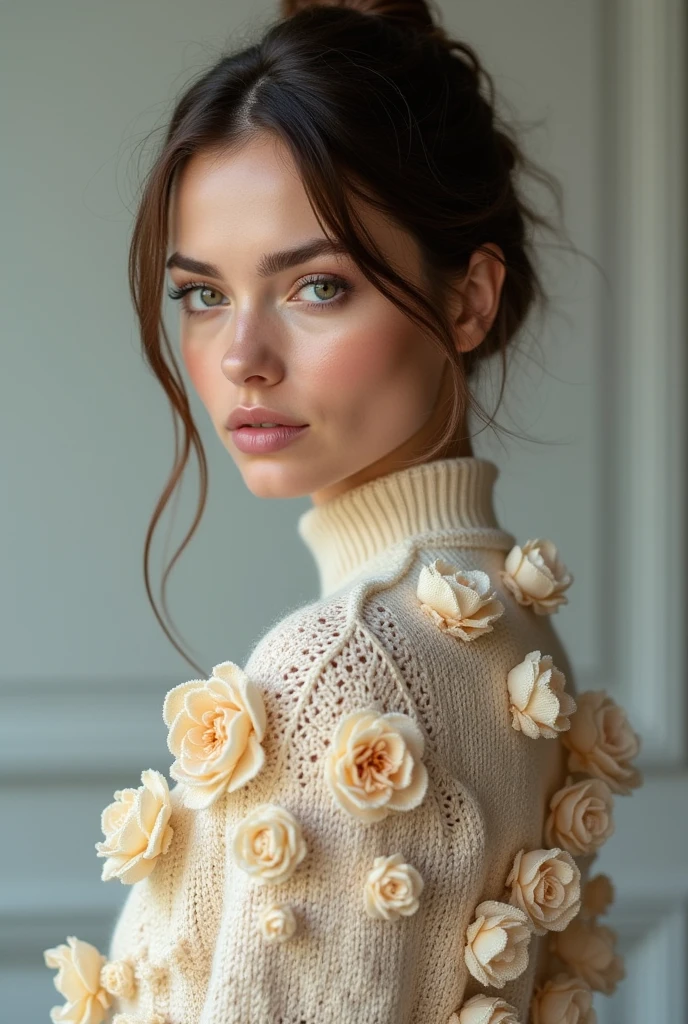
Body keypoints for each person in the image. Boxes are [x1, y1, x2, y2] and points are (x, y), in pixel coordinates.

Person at [43, 0, 644, 1021]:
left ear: (468, 300)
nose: (240, 359)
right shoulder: (498, 615)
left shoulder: (342, 670)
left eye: (316, 287)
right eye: (202, 293)